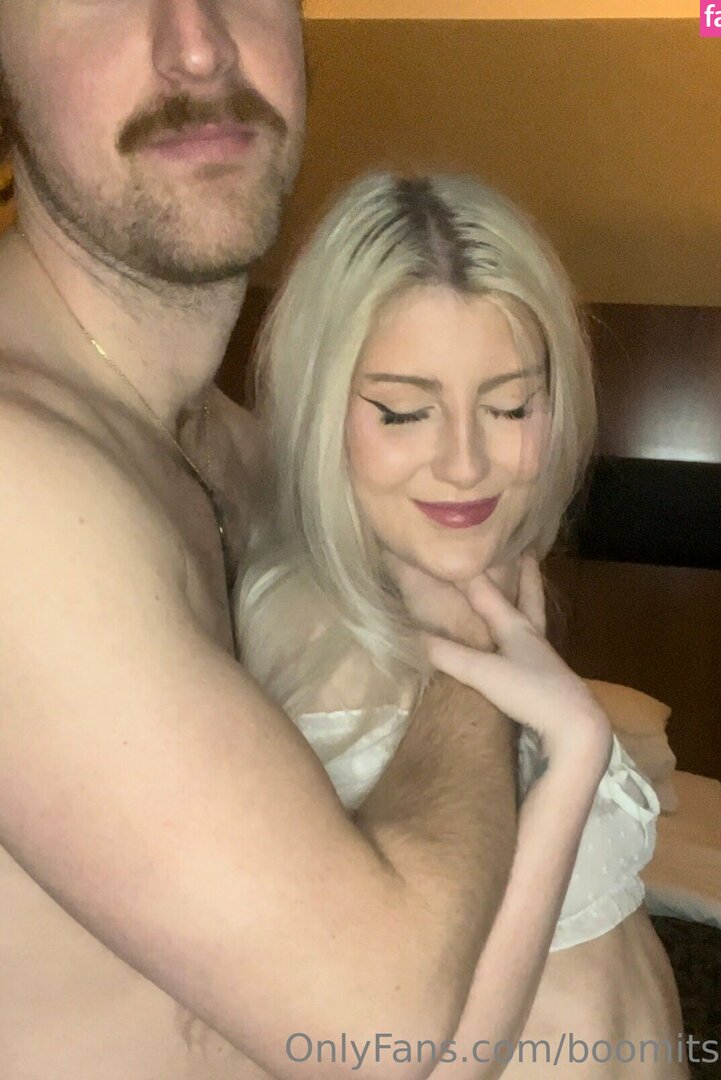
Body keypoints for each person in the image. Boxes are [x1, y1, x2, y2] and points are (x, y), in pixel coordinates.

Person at [0, 5, 606, 1079]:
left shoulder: (247, 454)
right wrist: (472, 652)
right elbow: (380, 1036)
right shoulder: (21, 479)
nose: (198, 45)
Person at [238, 172, 689, 1080]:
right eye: (406, 412)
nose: (466, 463)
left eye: (511, 405)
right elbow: (416, 1059)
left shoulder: (484, 578)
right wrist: (575, 752)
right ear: (321, 408)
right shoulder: (308, 632)